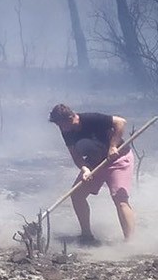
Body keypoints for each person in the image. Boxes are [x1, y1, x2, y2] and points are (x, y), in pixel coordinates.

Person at [47, 103, 136, 245]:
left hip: (117, 159)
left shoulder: (90, 118)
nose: (60, 128)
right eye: (58, 125)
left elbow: (121, 122)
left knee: (120, 199)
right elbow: (75, 156)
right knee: (76, 195)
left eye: (61, 124)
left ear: (70, 118)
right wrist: (85, 169)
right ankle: (87, 236)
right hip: (95, 163)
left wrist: (113, 146)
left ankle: (130, 243)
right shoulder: (66, 132)